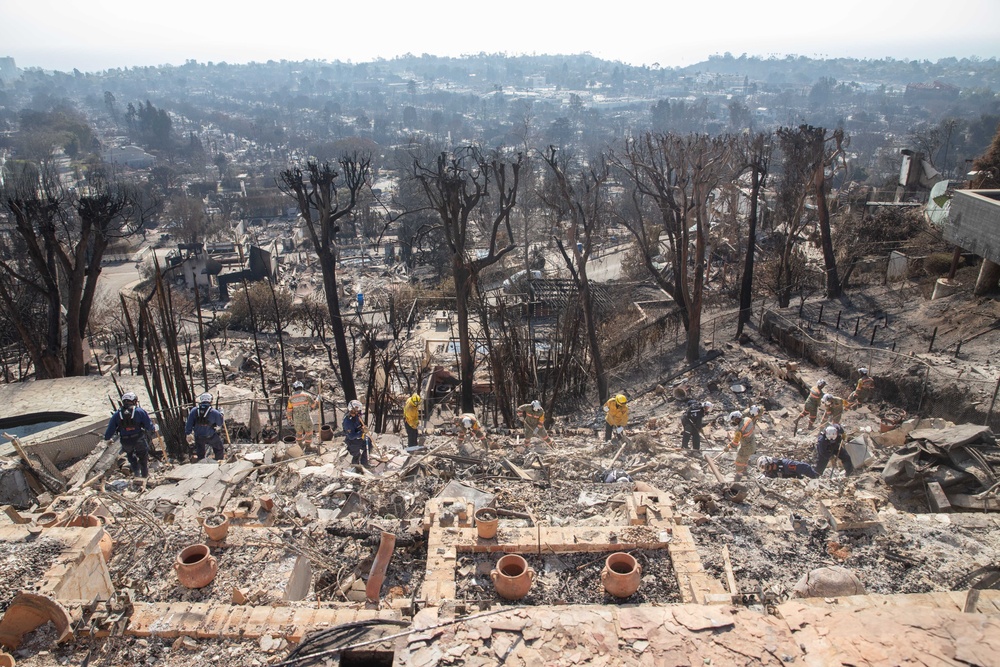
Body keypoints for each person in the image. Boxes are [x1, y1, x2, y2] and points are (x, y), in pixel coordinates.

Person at [103, 391, 156, 480]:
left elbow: (110, 428)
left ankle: (136, 473)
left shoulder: (117, 414)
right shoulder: (139, 411)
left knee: (130, 456)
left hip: (125, 440)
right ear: (134, 401)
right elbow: (148, 425)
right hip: (138, 438)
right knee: (143, 457)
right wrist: (153, 429)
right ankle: (144, 476)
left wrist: (107, 438)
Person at [184, 393, 225, 462]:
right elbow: (220, 423)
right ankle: (219, 462)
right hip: (210, 436)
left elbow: (189, 424)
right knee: (219, 449)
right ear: (210, 401)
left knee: (200, 453)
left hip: (198, 436)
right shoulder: (214, 412)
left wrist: (188, 433)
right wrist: (221, 413)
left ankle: (201, 464)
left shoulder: (194, 410)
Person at [286, 381, 320, 447]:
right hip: (306, 418)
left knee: (299, 433)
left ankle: (300, 446)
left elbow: (289, 409)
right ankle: (307, 446)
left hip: (296, 419)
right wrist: (317, 400)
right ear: (302, 387)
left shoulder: (291, 398)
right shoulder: (307, 395)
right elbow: (313, 406)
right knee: (309, 432)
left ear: (294, 388)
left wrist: (289, 418)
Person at [727, 410, 757, 482]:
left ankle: (739, 476)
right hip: (752, 445)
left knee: (739, 461)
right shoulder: (748, 420)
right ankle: (745, 471)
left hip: (745, 448)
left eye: (733, 420)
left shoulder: (739, 431)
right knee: (745, 458)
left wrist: (728, 447)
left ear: (737, 418)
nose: (733, 422)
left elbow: (735, 444)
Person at [343, 400, 370, 466]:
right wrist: (361, 432)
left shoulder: (357, 417)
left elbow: (361, 425)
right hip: (352, 442)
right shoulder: (347, 421)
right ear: (351, 409)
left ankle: (364, 463)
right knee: (356, 456)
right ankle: (355, 467)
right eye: (356, 410)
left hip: (360, 438)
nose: (358, 411)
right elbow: (351, 436)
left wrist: (364, 428)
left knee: (369, 444)